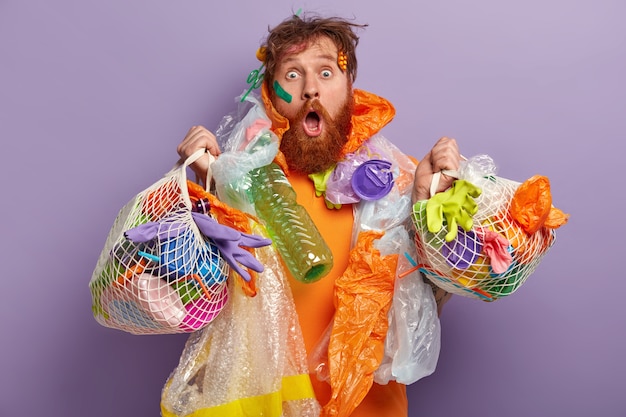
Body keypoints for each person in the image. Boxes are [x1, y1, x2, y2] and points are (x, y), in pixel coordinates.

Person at [167, 12, 461, 417]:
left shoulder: (396, 183)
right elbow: (185, 303)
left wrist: (429, 209)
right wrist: (200, 192)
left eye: (326, 72)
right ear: (270, 95)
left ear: (349, 89)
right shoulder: (238, 185)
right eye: (292, 75)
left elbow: (425, 312)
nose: (310, 90)